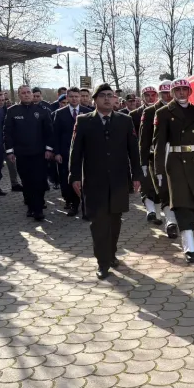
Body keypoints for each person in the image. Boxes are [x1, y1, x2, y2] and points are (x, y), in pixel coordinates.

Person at [69, 84, 142, 280]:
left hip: (119, 180)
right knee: (99, 222)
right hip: (94, 181)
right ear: (95, 100)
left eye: (111, 96)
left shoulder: (125, 121)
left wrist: (137, 175)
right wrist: (74, 176)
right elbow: (75, 151)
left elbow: (133, 151)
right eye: (103, 96)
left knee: (115, 221)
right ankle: (103, 261)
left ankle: (111, 253)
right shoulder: (83, 121)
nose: (108, 99)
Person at [152, 78, 194, 263]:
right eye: (177, 90)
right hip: (176, 162)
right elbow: (159, 143)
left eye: (184, 90)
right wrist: (158, 169)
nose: (181, 93)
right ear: (172, 92)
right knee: (181, 203)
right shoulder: (163, 112)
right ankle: (189, 245)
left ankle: (189, 234)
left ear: (190, 92)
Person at [4, 85, 54, 221]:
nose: (26, 95)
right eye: (23, 93)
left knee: (39, 181)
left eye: (28, 92)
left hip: (40, 153)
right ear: (19, 95)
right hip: (22, 154)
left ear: (32, 94)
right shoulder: (12, 111)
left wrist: (49, 149)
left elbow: (49, 132)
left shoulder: (42, 111)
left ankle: (38, 209)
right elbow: (7, 133)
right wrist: (9, 151)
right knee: (27, 181)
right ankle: (31, 207)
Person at [140, 81, 174, 232]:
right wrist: (143, 162)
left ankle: (169, 218)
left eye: (169, 92)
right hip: (157, 157)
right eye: (163, 93)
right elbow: (144, 139)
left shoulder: (179, 109)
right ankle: (169, 221)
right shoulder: (150, 112)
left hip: (177, 157)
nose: (167, 96)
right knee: (162, 189)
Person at [53, 87, 92, 217]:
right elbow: (56, 135)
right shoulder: (60, 113)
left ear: (80, 97)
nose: (74, 99)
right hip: (65, 152)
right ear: (67, 97)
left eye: (77, 96)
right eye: (71, 96)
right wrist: (57, 152)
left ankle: (86, 206)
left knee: (85, 179)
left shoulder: (88, 112)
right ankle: (72, 204)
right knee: (68, 179)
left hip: (84, 153)